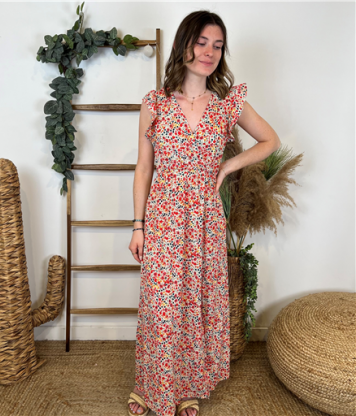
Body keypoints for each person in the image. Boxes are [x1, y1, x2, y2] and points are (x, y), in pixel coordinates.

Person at [127, 10, 280, 416]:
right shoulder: (155, 104)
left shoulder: (228, 105)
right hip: (164, 216)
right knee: (161, 304)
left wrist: (228, 166)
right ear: (185, 44)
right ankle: (150, 386)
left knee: (195, 305)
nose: (210, 52)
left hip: (205, 220)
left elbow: (270, 140)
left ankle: (188, 387)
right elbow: (143, 168)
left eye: (218, 46)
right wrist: (138, 225)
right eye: (201, 42)